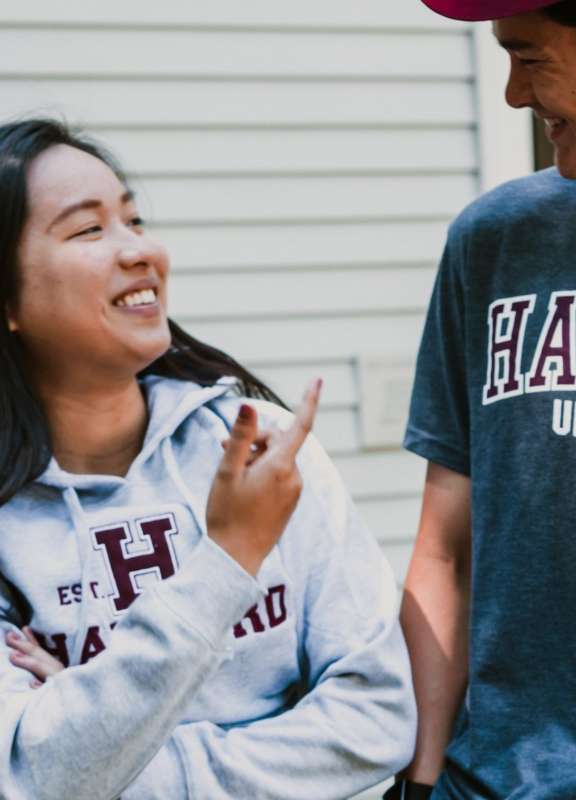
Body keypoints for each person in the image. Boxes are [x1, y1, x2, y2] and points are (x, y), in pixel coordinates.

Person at [0, 118, 416, 800]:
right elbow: (27, 774)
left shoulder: (261, 449)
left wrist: (116, 760)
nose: (140, 249)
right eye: (89, 230)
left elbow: (378, 716)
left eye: (134, 219)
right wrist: (228, 559)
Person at [387, 2, 576, 799]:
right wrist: (422, 777)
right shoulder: (493, 240)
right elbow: (445, 546)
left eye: (532, 58)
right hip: (493, 779)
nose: (513, 94)